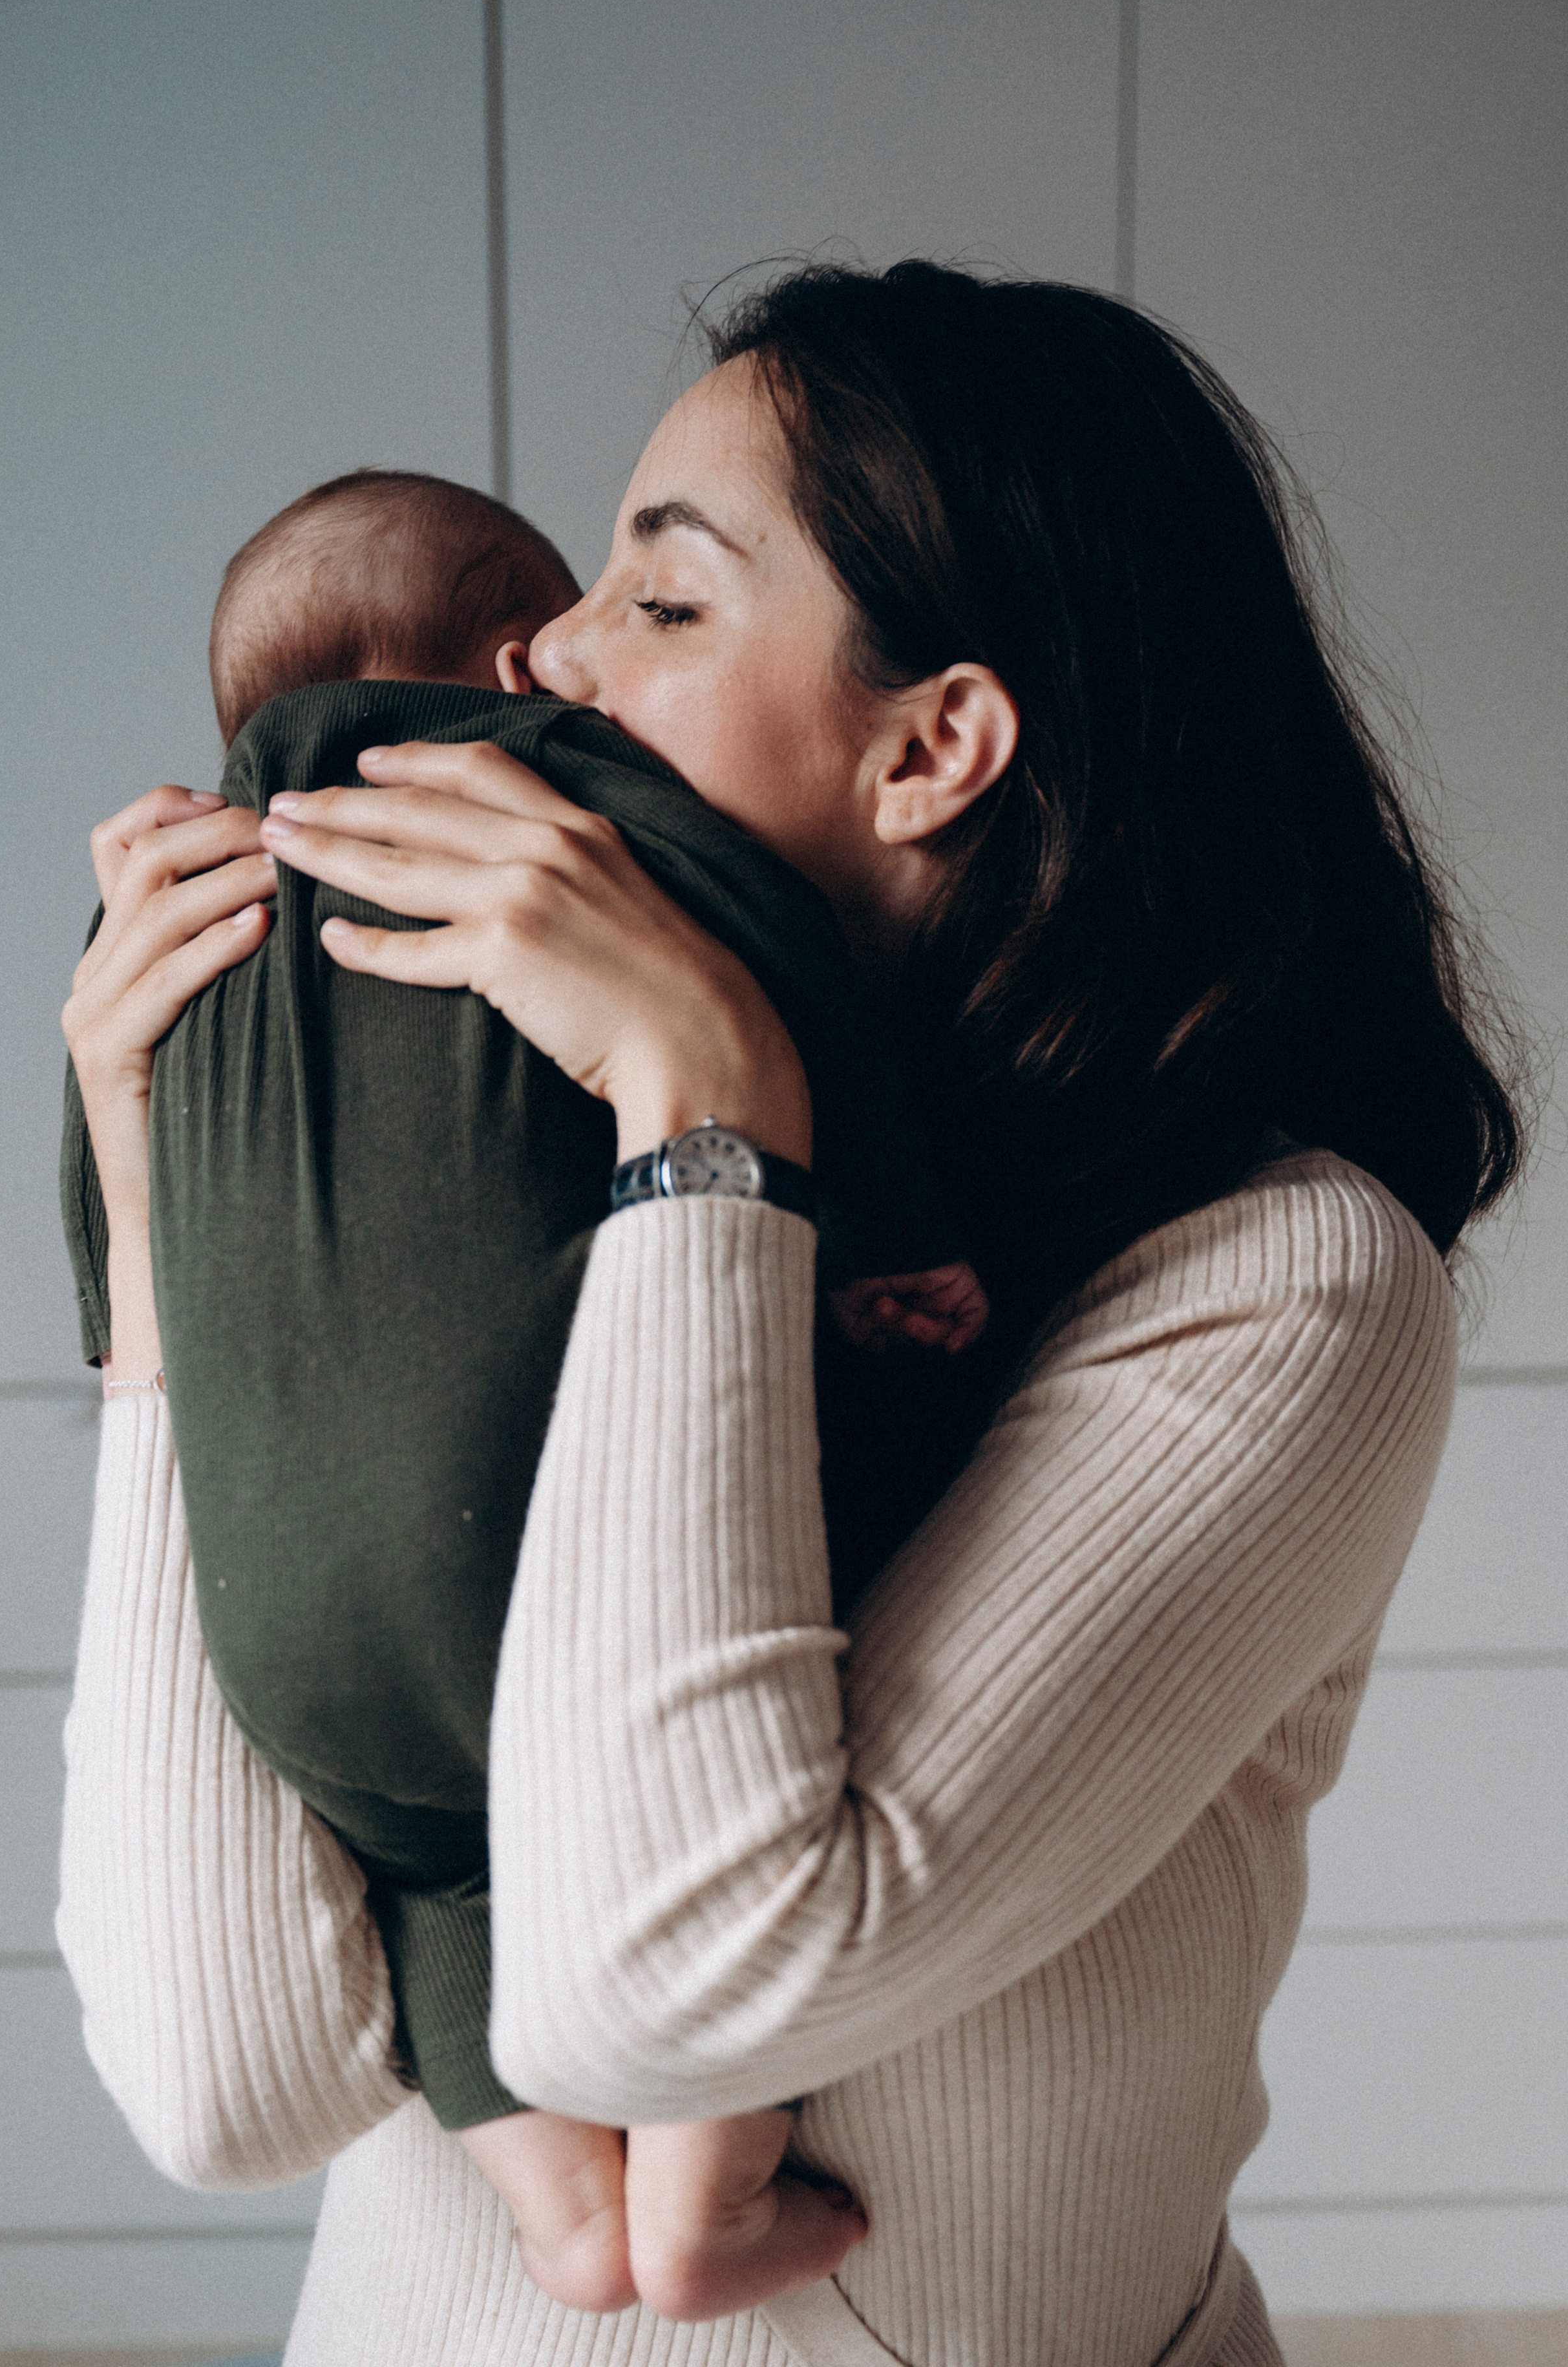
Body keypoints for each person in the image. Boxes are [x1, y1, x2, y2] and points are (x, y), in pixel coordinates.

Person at [58, 261, 1525, 2367]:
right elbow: (227, 2080)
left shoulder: (1276, 1281)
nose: (542, 660)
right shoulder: (470, 1180)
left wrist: (714, 1130)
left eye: (660, 604)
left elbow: (670, 1979)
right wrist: (166, 1210)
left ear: (937, 743)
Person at [61, 464, 986, 2317]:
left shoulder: (165, 922)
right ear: (513, 660)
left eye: (665, 604)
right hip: (547, 1565)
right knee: (818, 1492)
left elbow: (120, 1213)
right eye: (598, 611)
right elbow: (773, 980)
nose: (586, 656)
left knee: (439, 1861)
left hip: (282, 1643)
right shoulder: (580, 809)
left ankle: (564, 2217)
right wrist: (884, 1234)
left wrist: (148, 1329)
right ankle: (700, 2195)